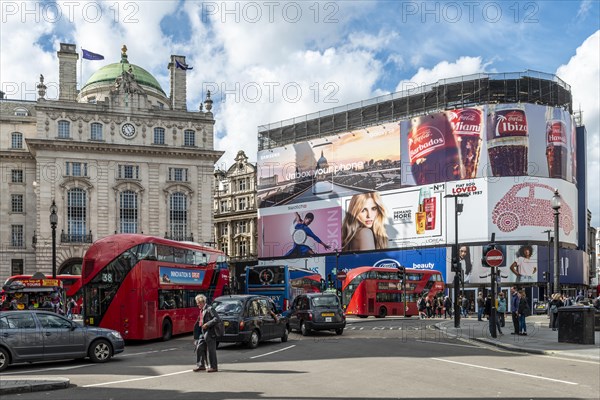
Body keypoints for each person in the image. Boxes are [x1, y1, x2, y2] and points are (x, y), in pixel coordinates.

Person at [193, 294, 219, 373]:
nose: (197, 304)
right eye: (197, 303)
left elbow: (216, 319)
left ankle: (214, 367)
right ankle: (201, 365)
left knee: (211, 350)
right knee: (199, 348)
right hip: (203, 333)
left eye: (199, 303)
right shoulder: (202, 310)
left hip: (210, 333)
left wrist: (207, 324)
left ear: (203, 302)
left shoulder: (210, 309)